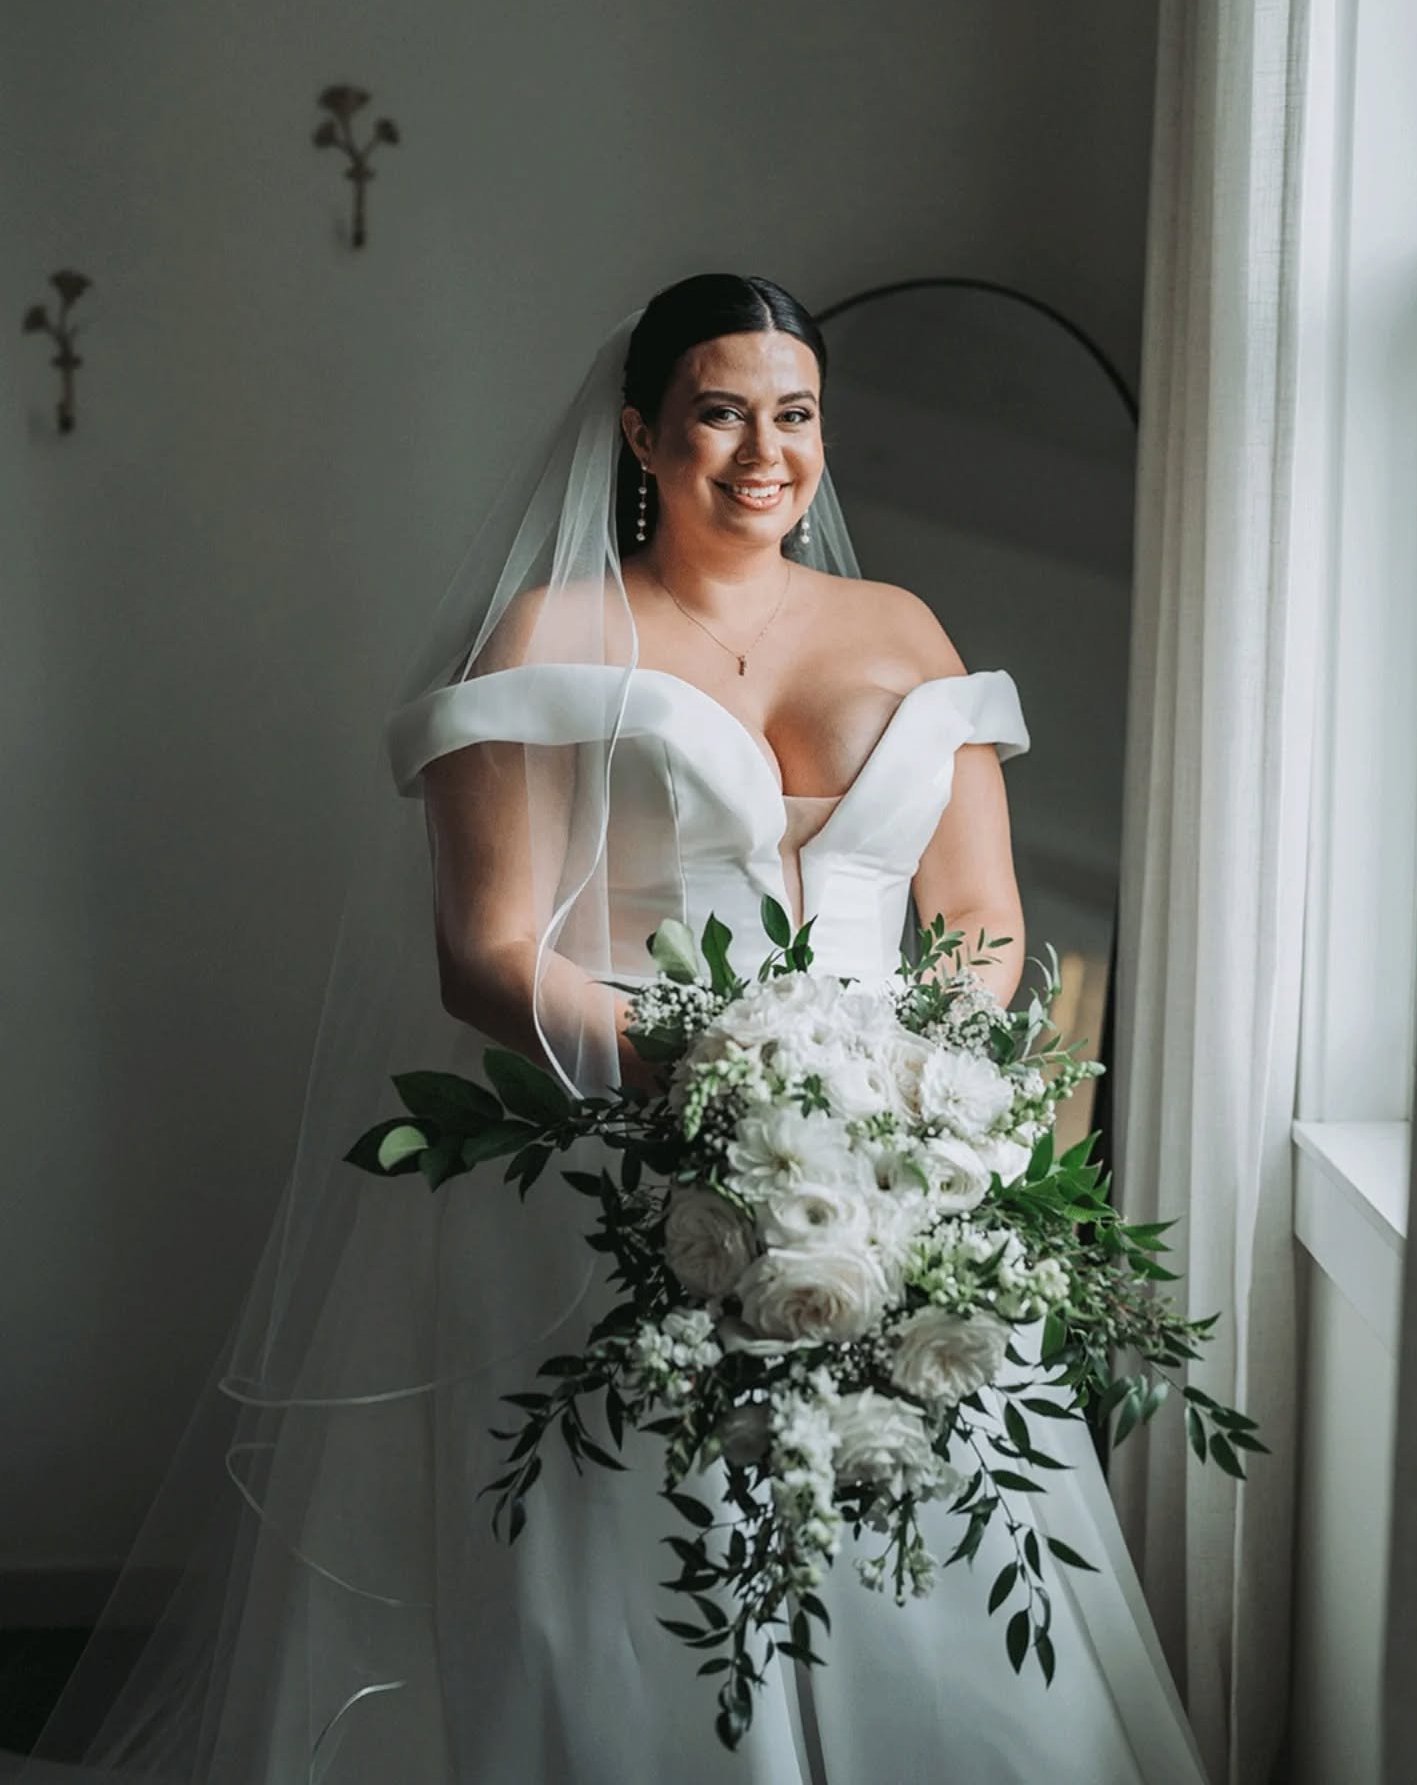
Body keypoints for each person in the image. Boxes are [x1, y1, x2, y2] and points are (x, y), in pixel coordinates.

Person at [9, 274, 1211, 1783]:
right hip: (604, 1158)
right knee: (633, 1558)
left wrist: (911, 1107)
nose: (763, 452)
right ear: (642, 434)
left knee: (914, 1522)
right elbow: (487, 952)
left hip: (894, 1184)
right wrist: (704, 1088)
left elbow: (978, 923)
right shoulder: (550, 631)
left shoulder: (901, 624)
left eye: (796, 415)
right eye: (720, 413)